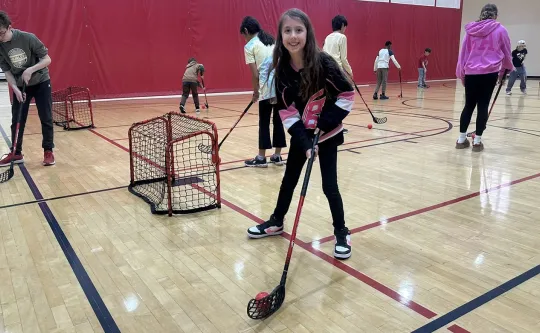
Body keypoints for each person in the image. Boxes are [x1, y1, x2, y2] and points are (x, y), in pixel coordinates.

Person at [246, 8, 355, 260]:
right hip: (301, 134)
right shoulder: (281, 69)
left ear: (308, 33)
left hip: (327, 134)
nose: (293, 36)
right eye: (287, 31)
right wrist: (305, 142)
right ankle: (276, 221)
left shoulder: (324, 62)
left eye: (298, 30)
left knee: (330, 186)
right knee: (289, 180)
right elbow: (287, 111)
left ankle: (341, 231)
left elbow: (347, 95)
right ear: (281, 35)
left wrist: (324, 124)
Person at [0, 11, 55, 167]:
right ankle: (16, 153)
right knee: (17, 119)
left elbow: (47, 59)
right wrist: (15, 89)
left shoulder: (28, 38)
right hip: (20, 85)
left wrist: (30, 70)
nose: (0, 38)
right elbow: (7, 71)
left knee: (46, 117)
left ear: (9, 27)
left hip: (41, 82)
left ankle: (48, 151)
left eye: (1, 33)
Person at [455, 3, 513, 152]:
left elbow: (463, 54)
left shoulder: (470, 30)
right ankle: (477, 142)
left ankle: (461, 140)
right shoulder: (501, 30)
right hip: (489, 73)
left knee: (468, 105)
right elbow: (507, 53)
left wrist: (462, 74)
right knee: (483, 106)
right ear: (495, 15)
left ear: (481, 14)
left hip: (471, 73)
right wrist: (504, 72)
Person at [240, 16, 286, 168]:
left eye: (243, 35)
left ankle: (261, 158)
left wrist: (255, 92)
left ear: (246, 31)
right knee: (278, 121)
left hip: (266, 90)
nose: (244, 39)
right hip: (280, 87)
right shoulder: (271, 40)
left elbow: (255, 74)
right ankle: (277, 156)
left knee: (264, 122)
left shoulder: (249, 46)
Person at [323, 14, 352, 134]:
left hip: (324, 70)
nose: (345, 29)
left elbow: (323, 53)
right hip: (336, 71)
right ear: (342, 25)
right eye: (345, 26)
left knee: (330, 99)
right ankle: (336, 125)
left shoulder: (328, 37)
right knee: (343, 98)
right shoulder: (342, 37)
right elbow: (343, 58)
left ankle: (332, 125)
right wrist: (350, 72)